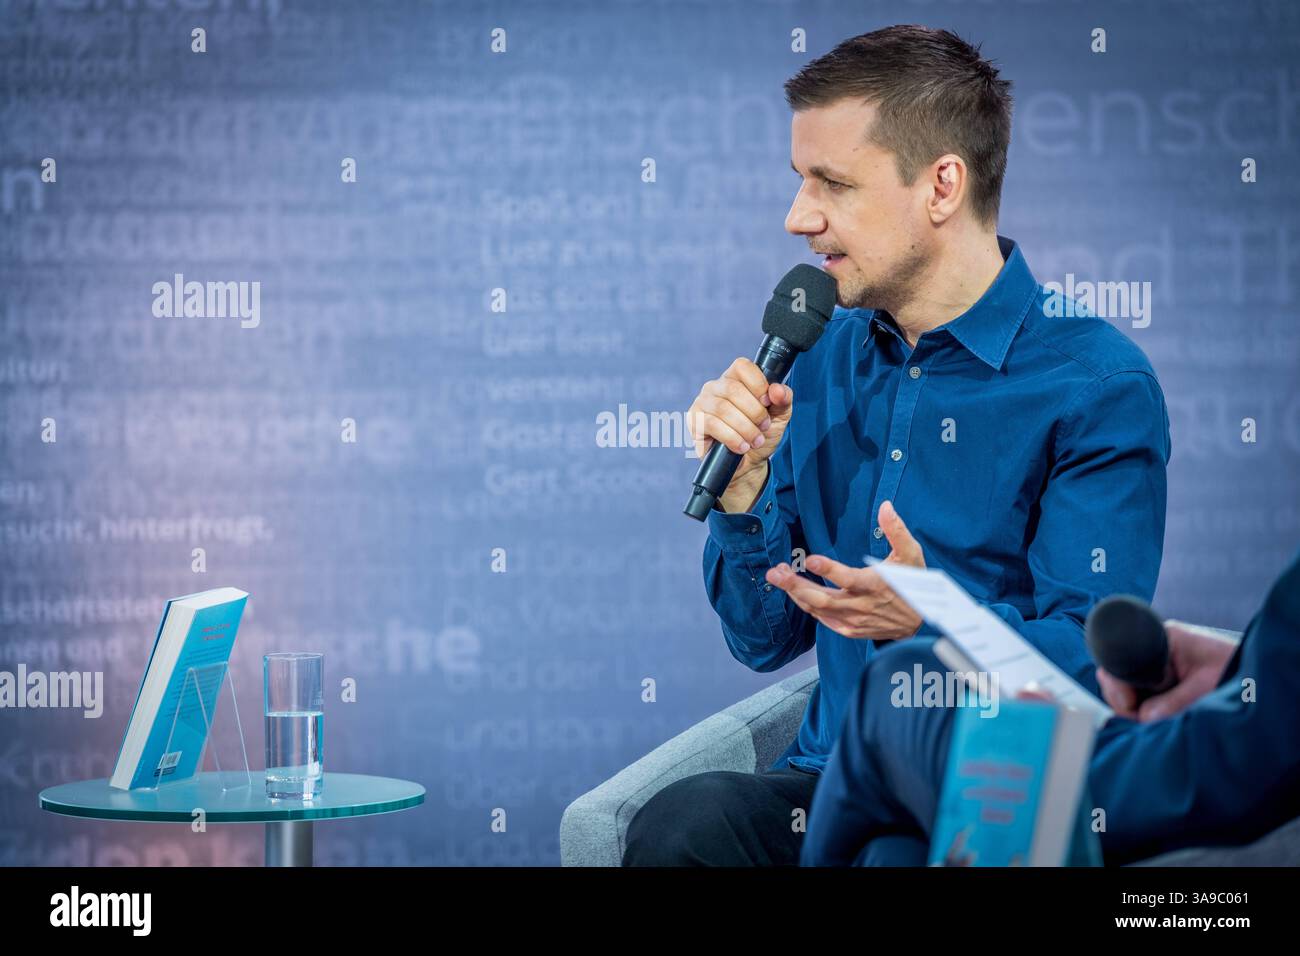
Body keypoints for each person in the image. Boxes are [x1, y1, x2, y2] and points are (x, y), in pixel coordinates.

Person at [623, 25, 1171, 866]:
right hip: (836, 781)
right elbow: (762, 638)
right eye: (800, 180)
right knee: (684, 826)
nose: (797, 216)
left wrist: (934, 619)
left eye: (831, 184)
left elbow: (1096, 668)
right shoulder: (824, 355)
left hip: (995, 793)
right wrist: (743, 497)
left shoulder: (1094, 384)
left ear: (942, 185)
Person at [800, 547, 1300, 866]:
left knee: (897, 686)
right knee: (890, 855)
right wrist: (1242, 676)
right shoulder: (817, 391)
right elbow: (762, 643)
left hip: (1211, 770)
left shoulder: (1099, 387)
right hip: (1233, 734)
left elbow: (1081, 633)